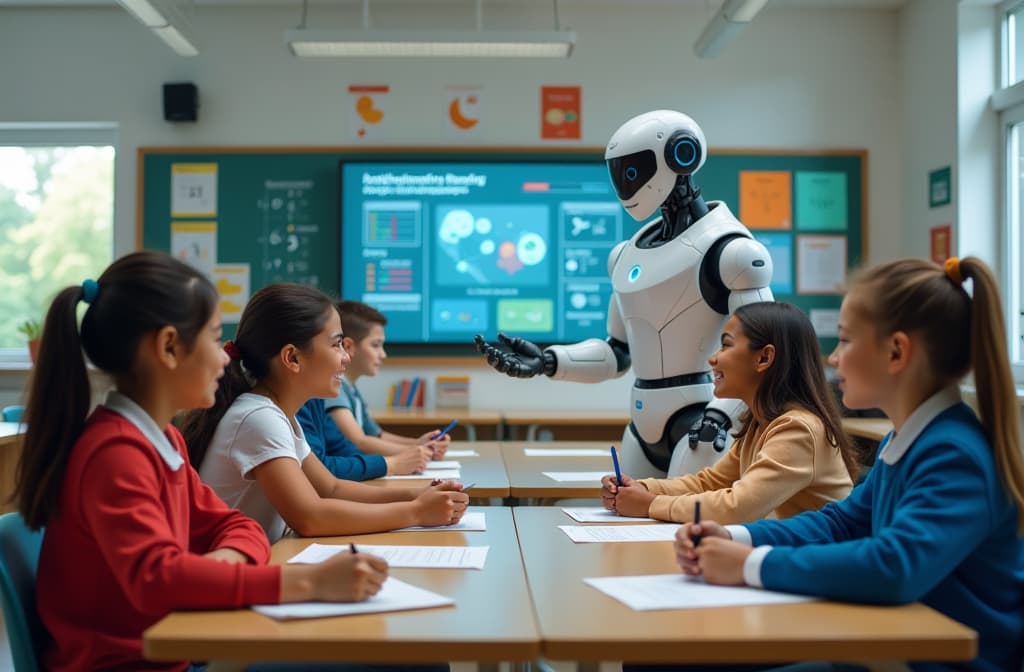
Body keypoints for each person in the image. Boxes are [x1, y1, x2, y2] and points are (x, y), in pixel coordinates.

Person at [14, 252, 389, 672]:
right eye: (213, 339)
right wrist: (309, 582)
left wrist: (218, 564)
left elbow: (236, 525)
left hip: (178, 651)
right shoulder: (114, 454)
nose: (226, 357)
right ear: (169, 347)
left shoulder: (162, 439)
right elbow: (160, 581)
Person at [675, 257, 1024, 672]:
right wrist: (737, 536)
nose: (833, 358)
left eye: (844, 340)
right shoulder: (908, 438)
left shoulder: (954, 454)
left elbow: (894, 566)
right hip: (892, 644)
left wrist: (750, 565)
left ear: (896, 352)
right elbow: (840, 523)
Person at [475, 109, 773, 480]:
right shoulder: (627, 255)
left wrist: (722, 414)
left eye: (632, 172)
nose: (625, 186)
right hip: (642, 421)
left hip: (702, 419)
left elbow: (764, 355)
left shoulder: (731, 252)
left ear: (682, 155)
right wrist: (549, 361)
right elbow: (616, 353)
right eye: (618, 173)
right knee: (629, 522)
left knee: (685, 523)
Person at [181, 283, 469, 543]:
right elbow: (310, 517)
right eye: (336, 344)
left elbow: (330, 488)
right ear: (292, 358)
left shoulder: (279, 415)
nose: (346, 357)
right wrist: (416, 513)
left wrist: (417, 493)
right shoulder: (259, 418)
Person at [602, 301, 856, 524]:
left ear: (764, 358)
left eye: (725, 346)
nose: (713, 359)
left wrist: (649, 505)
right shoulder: (762, 424)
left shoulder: (797, 430)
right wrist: (643, 487)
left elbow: (738, 506)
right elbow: (709, 483)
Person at [319, 299, 448, 475]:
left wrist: (418, 445)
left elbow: (376, 435)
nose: (383, 354)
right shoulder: (334, 390)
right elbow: (359, 441)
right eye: (375, 345)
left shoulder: (351, 389)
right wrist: (408, 456)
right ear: (348, 346)